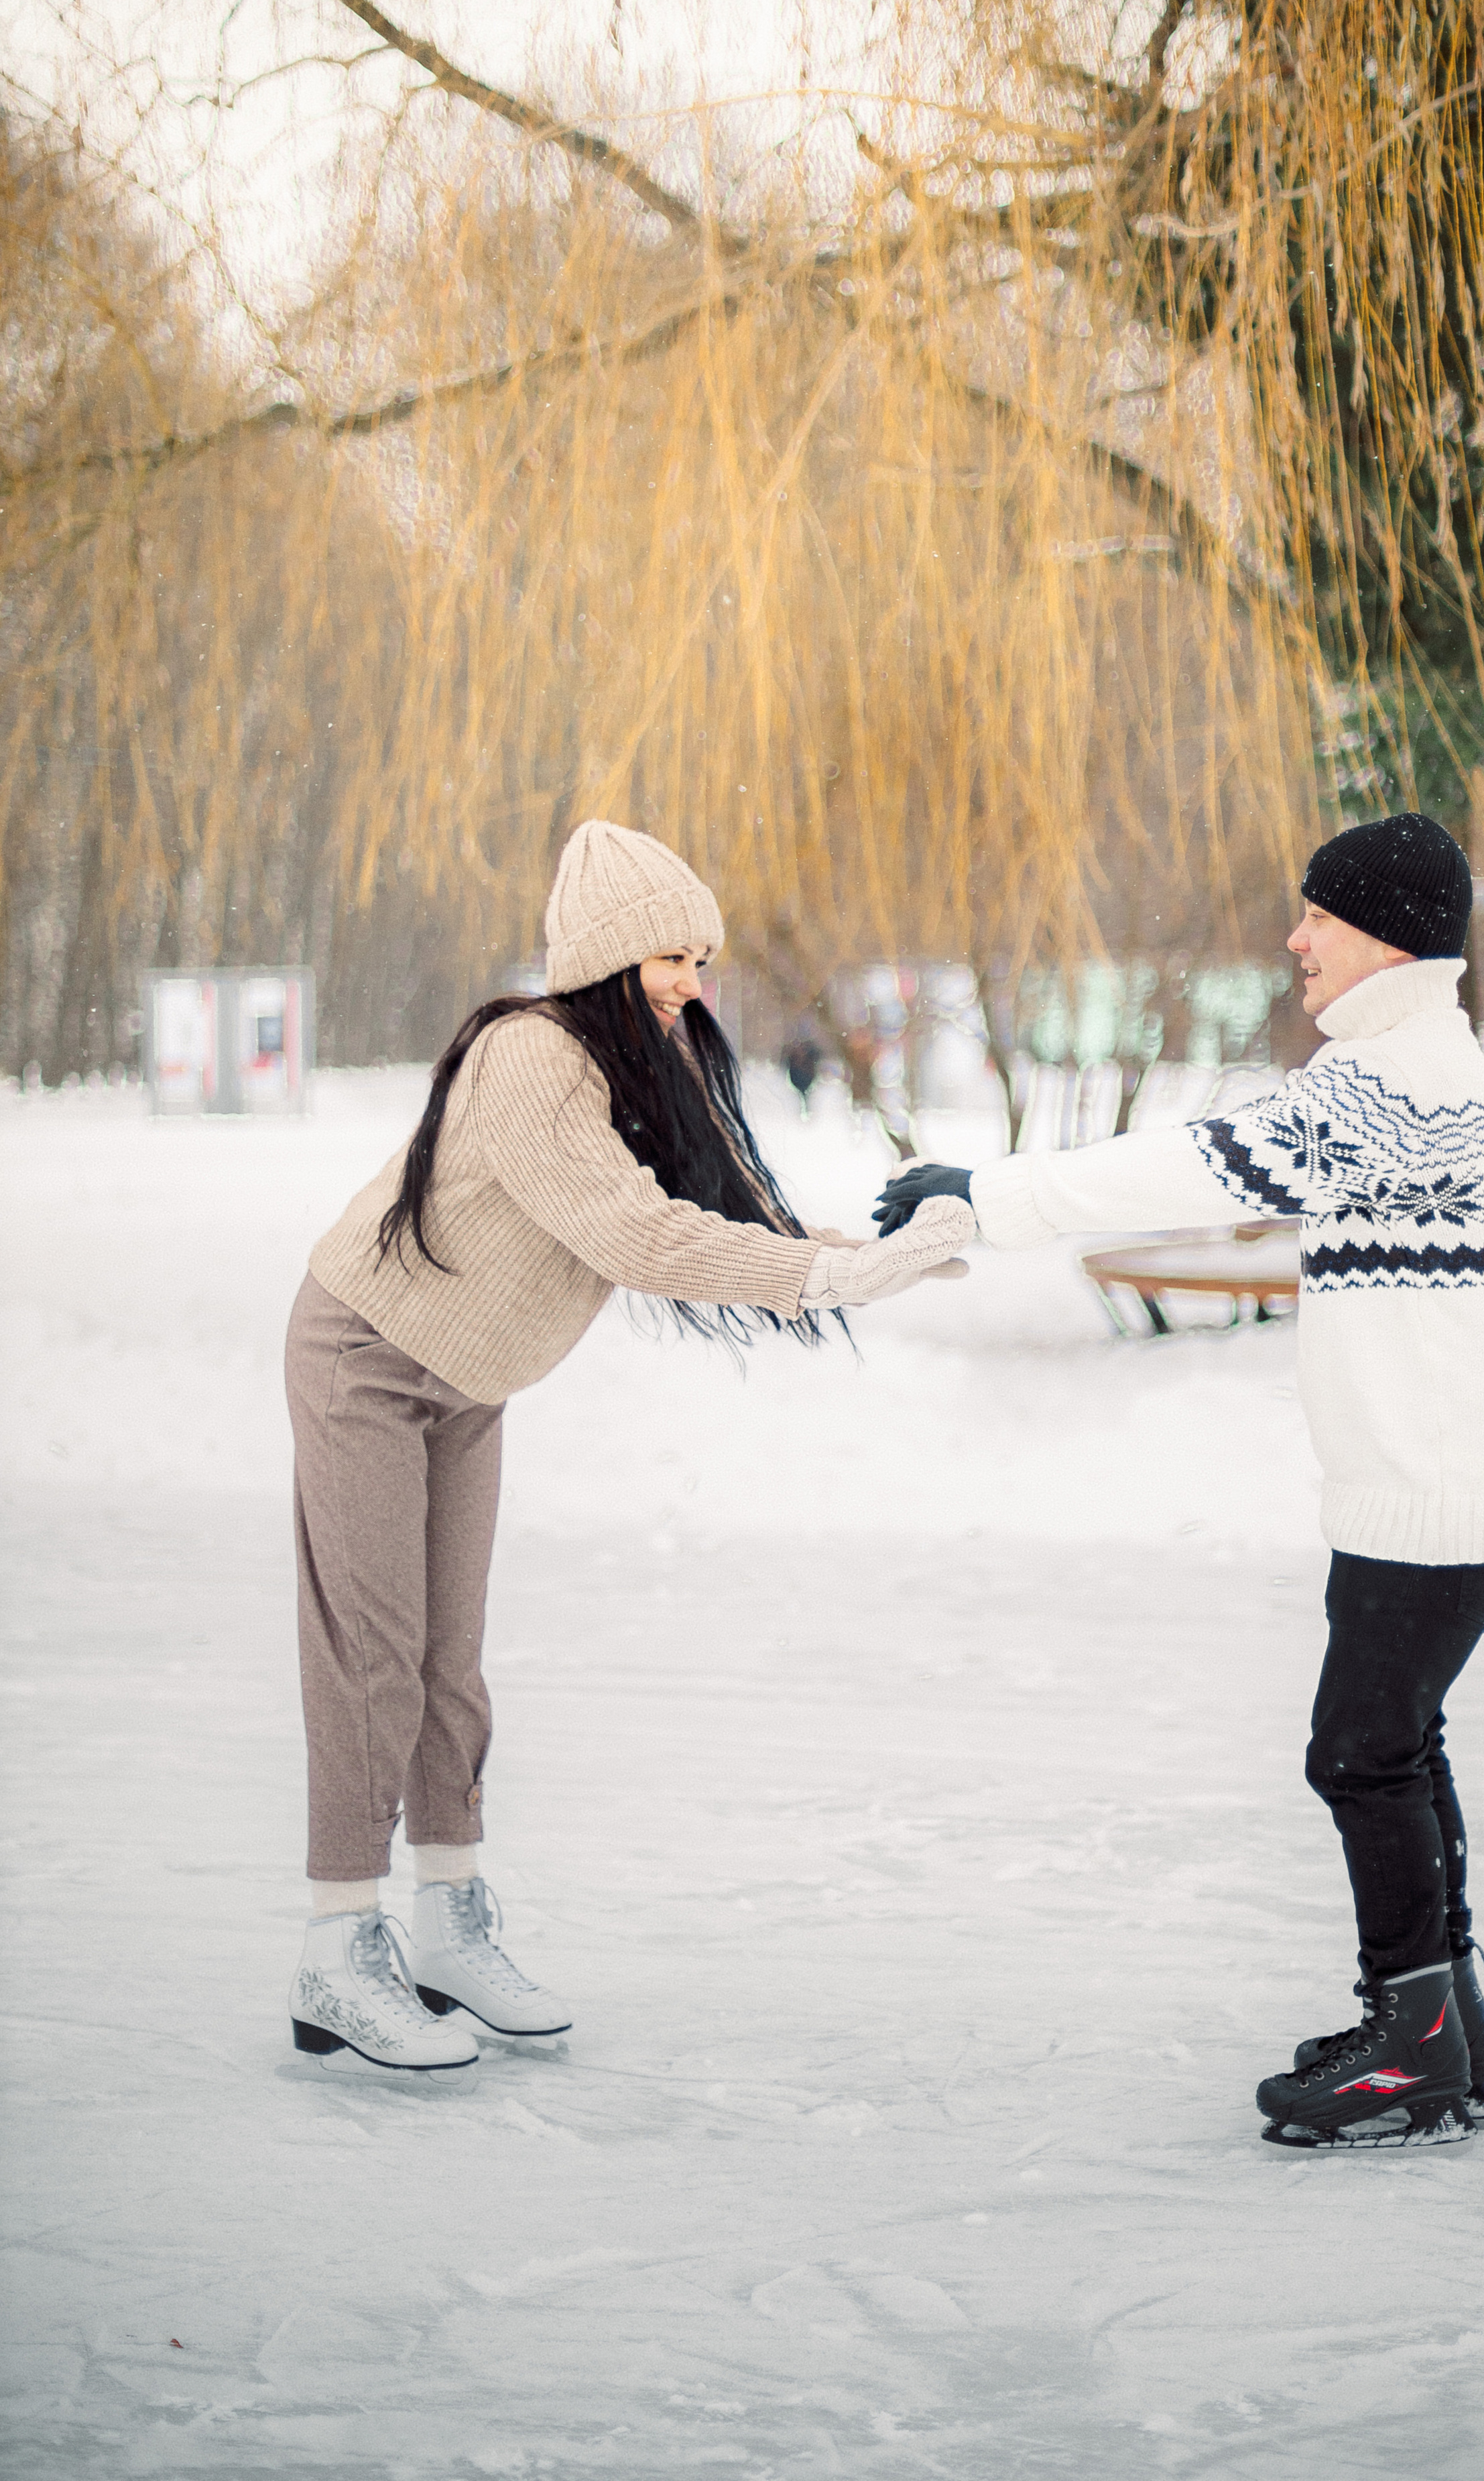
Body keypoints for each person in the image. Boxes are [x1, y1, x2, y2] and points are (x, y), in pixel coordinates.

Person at [876, 814, 1484, 2149]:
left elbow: (1193, 1164)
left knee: (1357, 1753)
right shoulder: (1404, 1063)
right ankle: (1438, 2021)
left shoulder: (1395, 1083)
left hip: (1436, 1495)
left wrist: (988, 1191)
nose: (1292, 939)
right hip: (1429, 1487)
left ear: (1384, 937)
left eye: (1316, 916)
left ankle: (1416, 2037)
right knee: (1389, 1744)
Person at [285, 820, 974, 2073]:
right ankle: (339, 1947)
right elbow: (640, 1238)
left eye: (702, 959)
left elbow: (710, 1214)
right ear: (609, 957)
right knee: (375, 1656)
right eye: (673, 956)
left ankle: (445, 1919)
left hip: (467, 1380)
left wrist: (870, 1259)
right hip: (367, 1360)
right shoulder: (531, 1058)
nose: (695, 985)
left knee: (451, 1665)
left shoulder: (631, 1070)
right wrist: (837, 1281)